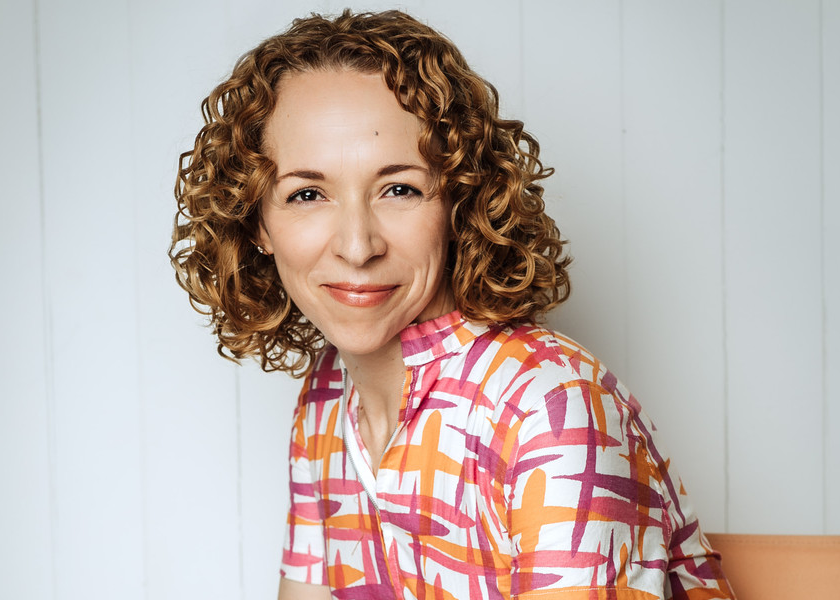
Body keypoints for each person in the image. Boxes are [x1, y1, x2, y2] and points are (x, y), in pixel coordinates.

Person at [170, 9, 735, 600]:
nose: (358, 246)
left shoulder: (551, 409)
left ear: (459, 204)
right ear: (256, 222)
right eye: (307, 194)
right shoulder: (326, 397)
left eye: (400, 189)